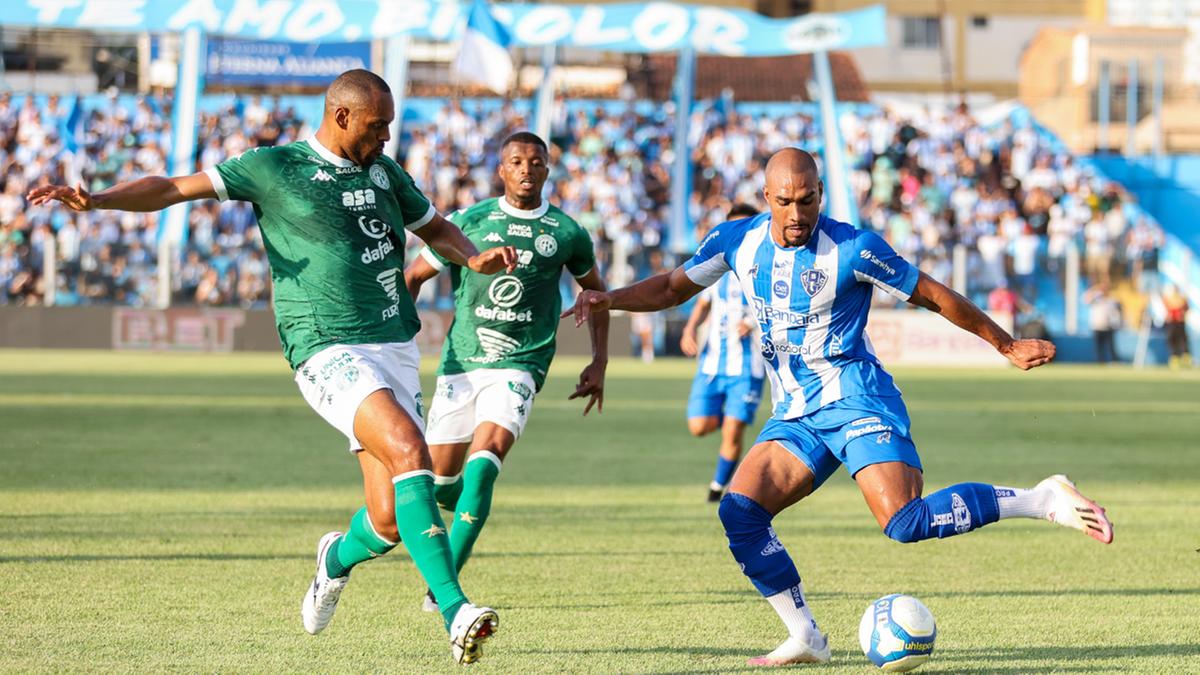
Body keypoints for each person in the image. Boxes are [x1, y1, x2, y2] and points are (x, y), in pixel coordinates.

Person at [27, 69, 510, 665]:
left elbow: (435, 228)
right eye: (377, 125)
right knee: (412, 450)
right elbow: (174, 189)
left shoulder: (385, 173)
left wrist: (473, 256)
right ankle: (456, 611)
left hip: (393, 343)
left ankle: (334, 560)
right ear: (341, 117)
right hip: (323, 345)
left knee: (386, 521)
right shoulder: (274, 168)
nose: (387, 136)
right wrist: (97, 199)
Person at [563, 148, 1113, 666]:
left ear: (821, 195)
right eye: (784, 201)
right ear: (767, 196)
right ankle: (805, 635)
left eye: (807, 200)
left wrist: (1005, 343)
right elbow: (670, 289)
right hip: (796, 415)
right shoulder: (736, 242)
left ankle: (1042, 498)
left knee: (904, 522)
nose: (796, 212)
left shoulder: (855, 248)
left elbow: (934, 295)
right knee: (739, 512)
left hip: (857, 399)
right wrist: (611, 296)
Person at [404, 131, 609, 611]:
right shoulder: (468, 222)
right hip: (461, 365)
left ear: (547, 170)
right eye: (516, 161)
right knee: (438, 484)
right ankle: (461, 511)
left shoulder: (566, 233)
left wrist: (599, 360)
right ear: (501, 169)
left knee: (484, 468)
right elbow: (414, 277)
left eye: (536, 162)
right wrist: (397, 342)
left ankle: (443, 590)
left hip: (521, 365)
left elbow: (596, 295)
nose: (526, 170)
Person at [679, 204, 765, 502]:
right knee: (698, 426)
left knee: (733, 431)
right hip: (712, 363)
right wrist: (690, 329)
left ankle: (717, 488)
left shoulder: (766, 267)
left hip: (748, 365)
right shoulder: (716, 268)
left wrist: (753, 322)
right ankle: (730, 417)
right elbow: (703, 304)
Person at [1083, 283, 1122, 364]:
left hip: (1108, 327)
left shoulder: (1111, 300)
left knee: (1111, 347)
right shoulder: (1096, 300)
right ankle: (1100, 362)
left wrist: (1118, 322)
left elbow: (1119, 309)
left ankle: (1115, 362)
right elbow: (1086, 298)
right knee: (1098, 348)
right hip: (1097, 327)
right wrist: (1094, 288)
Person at [1162, 284, 1191, 368]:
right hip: (1172, 322)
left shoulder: (1181, 298)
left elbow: (1186, 308)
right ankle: (1175, 357)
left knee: (1182, 339)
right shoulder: (1170, 298)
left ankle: (1185, 357)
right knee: (1173, 340)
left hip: (1179, 322)